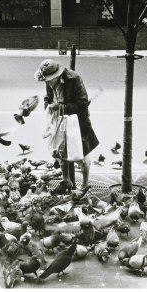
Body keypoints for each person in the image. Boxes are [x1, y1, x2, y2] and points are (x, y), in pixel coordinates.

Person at [34, 59, 99, 194]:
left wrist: (61, 107)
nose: (48, 82)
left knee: (81, 155)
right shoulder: (48, 81)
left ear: (58, 75)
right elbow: (48, 96)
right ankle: (66, 180)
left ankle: (85, 184)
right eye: (46, 80)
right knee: (59, 151)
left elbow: (82, 103)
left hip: (77, 122)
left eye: (51, 79)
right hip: (59, 120)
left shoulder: (74, 79)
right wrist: (47, 104)